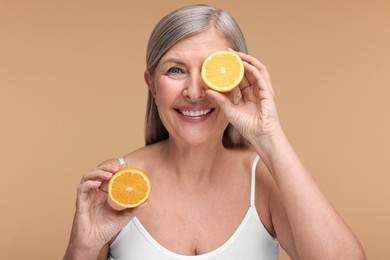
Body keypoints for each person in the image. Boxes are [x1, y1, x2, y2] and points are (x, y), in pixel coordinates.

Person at [64, 4, 365, 260]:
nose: (195, 93)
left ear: (239, 79)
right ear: (152, 84)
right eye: (176, 70)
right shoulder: (116, 186)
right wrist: (82, 248)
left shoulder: (264, 181)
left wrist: (269, 136)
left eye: (212, 70)